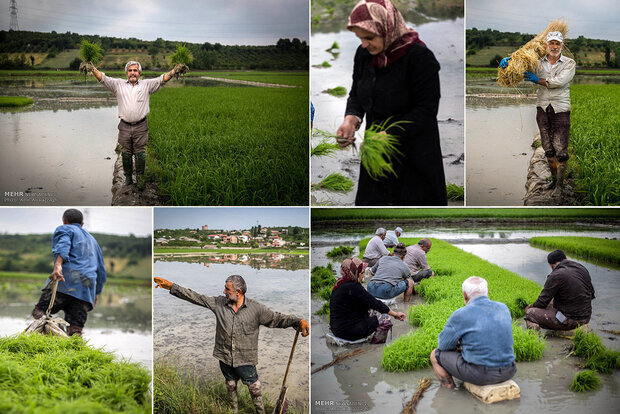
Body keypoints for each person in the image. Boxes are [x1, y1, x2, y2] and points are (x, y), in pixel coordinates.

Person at [336, 0, 447, 206]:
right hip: (375, 155)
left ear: (387, 28)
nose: (364, 44)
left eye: (369, 37)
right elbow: (357, 95)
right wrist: (351, 119)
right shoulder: (364, 55)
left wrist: (389, 135)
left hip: (414, 156)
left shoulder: (420, 58)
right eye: (360, 38)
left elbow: (426, 111)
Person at [153, 274, 309, 414]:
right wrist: (171, 286)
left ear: (238, 292)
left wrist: (298, 321)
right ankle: (234, 411)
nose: (223, 292)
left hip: (245, 359)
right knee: (230, 386)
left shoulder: (256, 309)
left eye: (227, 289)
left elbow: (277, 319)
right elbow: (195, 297)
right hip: (225, 356)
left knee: (255, 389)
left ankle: (260, 412)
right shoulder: (218, 303)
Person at [499, 31, 575, 198]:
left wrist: (538, 80)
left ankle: (560, 186)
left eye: (557, 44)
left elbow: (558, 82)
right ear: (546, 45)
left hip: (560, 109)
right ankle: (553, 180)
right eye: (551, 43)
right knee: (548, 148)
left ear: (561, 46)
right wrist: (508, 63)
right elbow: (521, 68)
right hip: (542, 108)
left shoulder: (569, 63)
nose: (554, 47)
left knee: (560, 149)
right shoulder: (538, 62)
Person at [89, 61, 185, 188]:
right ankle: (128, 178)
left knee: (140, 152)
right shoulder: (118, 84)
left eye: (135, 70)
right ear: (126, 73)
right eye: (130, 70)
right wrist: (92, 68)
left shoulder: (147, 85)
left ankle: (140, 178)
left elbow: (162, 79)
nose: (132, 73)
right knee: (126, 152)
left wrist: (174, 71)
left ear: (139, 73)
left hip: (141, 125)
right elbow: (103, 78)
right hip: (124, 126)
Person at [31, 209, 106, 336]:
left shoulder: (65, 229)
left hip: (64, 282)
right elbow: (101, 271)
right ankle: (72, 349)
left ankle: (54, 330)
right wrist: (96, 293)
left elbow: (63, 245)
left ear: (64, 221)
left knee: (40, 312)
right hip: (85, 290)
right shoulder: (94, 242)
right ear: (82, 223)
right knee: (76, 330)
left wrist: (58, 265)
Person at [430, 276, 516, 388]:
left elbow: (443, 345)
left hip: (482, 375)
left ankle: (449, 390)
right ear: (488, 292)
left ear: (465, 295)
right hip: (509, 370)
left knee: (435, 354)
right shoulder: (503, 308)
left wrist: (459, 342)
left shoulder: (460, 314)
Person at [330, 257, 406, 341]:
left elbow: (367, 303)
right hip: (348, 332)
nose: (363, 276)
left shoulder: (340, 283)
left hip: (336, 328)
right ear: (355, 273)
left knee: (372, 311)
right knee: (385, 318)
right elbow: (374, 303)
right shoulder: (354, 287)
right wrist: (395, 314)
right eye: (361, 272)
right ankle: (375, 347)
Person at [524, 249, 595, 331]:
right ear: (566, 258)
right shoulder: (581, 268)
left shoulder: (556, 275)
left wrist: (530, 307)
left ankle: (535, 340)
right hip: (586, 317)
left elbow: (541, 302)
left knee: (530, 313)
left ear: (550, 265)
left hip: (572, 320)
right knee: (550, 303)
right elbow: (591, 294)